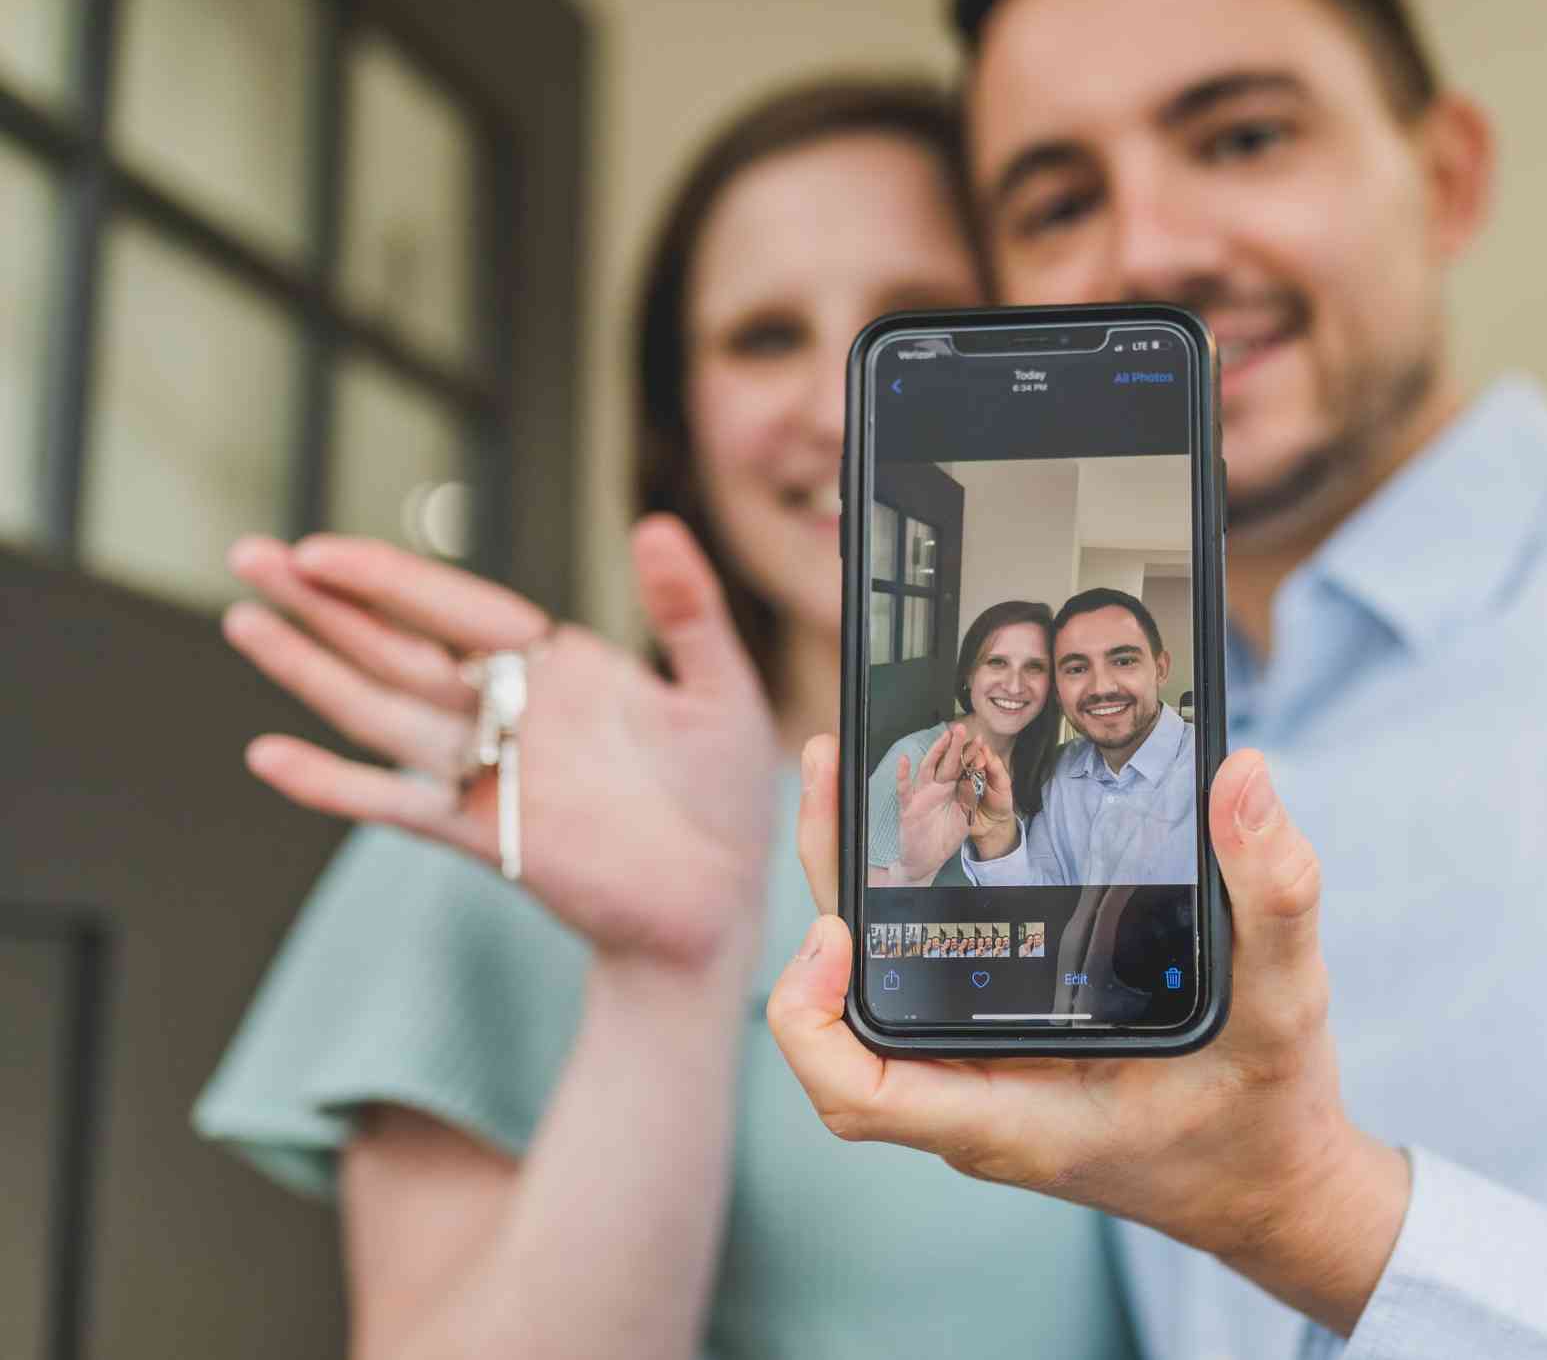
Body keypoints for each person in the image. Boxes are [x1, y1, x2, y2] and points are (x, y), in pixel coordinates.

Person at [763, 0, 1547, 1358]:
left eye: (1244, 136)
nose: (1149, 248)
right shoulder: (1124, 747)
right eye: (1058, 200)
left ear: (1447, 177)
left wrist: (1316, 1213)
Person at [192, 75, 1138, 1360]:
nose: (842, 400)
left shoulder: (1171, 817)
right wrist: (667, 978)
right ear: (680, 424)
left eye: (914, 322)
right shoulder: (499, 832)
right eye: (761, 336)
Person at [961, 589, 1197, 886]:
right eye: (1077, 669)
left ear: (1160, 669)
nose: (1100, 687)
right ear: (1057, 689)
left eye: (1123, 661)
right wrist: (997, 837)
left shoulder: (1216, 771)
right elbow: (1040, 904)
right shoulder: (1056, 771)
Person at [866, 599, 1058, 886]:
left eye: (1034, 667)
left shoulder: (1045, 768)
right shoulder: (914, 757)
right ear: (969, 673)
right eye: (997, 662)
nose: (1015, 685)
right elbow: (869, 904)